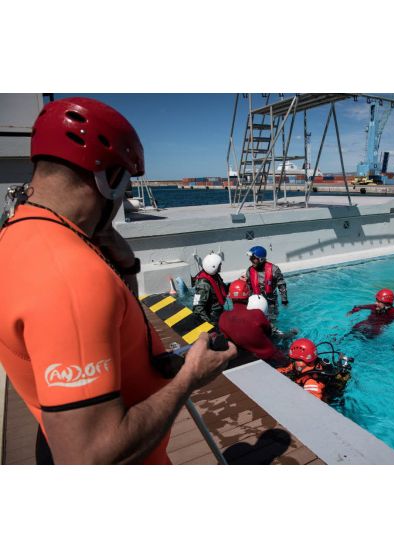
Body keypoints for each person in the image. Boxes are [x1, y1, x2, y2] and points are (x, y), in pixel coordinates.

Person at [0, 97, 236, 464]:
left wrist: (124, 264)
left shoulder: (21, 233)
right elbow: (89, 456)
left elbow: (101, 330)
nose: (125, 196)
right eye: (126, 186)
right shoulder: (69, 276)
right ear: (109, 179)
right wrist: (190, 376)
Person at [218, 282, 288, 367]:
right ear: (248, 296)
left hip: (246, 360)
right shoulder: (257, 314)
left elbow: (228, 341)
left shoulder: (223, 317)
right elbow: (268, 332)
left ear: (230, 297)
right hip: (270, 357)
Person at [276, 338, 351, 403]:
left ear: (301, 362)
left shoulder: (311, 383)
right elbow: (288, 369)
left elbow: (311, 405)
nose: (293, 362)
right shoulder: (305, 364)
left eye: (295, 360)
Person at [245, 245, 288, 323]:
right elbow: (248, 287)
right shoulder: (250, 270)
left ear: (261, 259)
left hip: (271, 303)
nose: (250, 259)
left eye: (253, 258)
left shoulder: (274, 269)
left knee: (272, 321)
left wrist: (284, 299)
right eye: (251, 258)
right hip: (256, 303)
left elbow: (281, 284)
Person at [192, 253, 228, 326]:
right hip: (212, 318)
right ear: (213, 267)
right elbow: (197, 308)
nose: (221, 266)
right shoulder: (203, 285)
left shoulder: (215, 277)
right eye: (219, 265)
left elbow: (223, 289)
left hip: (219, 313)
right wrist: (209, 325)